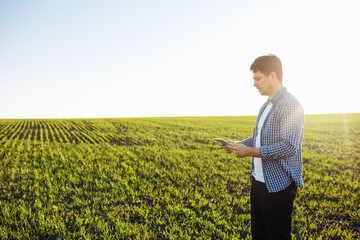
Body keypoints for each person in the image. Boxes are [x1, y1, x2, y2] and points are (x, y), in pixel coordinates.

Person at [220, 54, 304, 240]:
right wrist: (238, 144)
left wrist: (248, 152)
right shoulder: (266, 106)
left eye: (257, 79)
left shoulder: (290, 104)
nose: (254, 84)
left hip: (278, 186)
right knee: (259, 235)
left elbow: (289, 146)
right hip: (258, 183)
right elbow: (259, 137)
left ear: (272, 76)